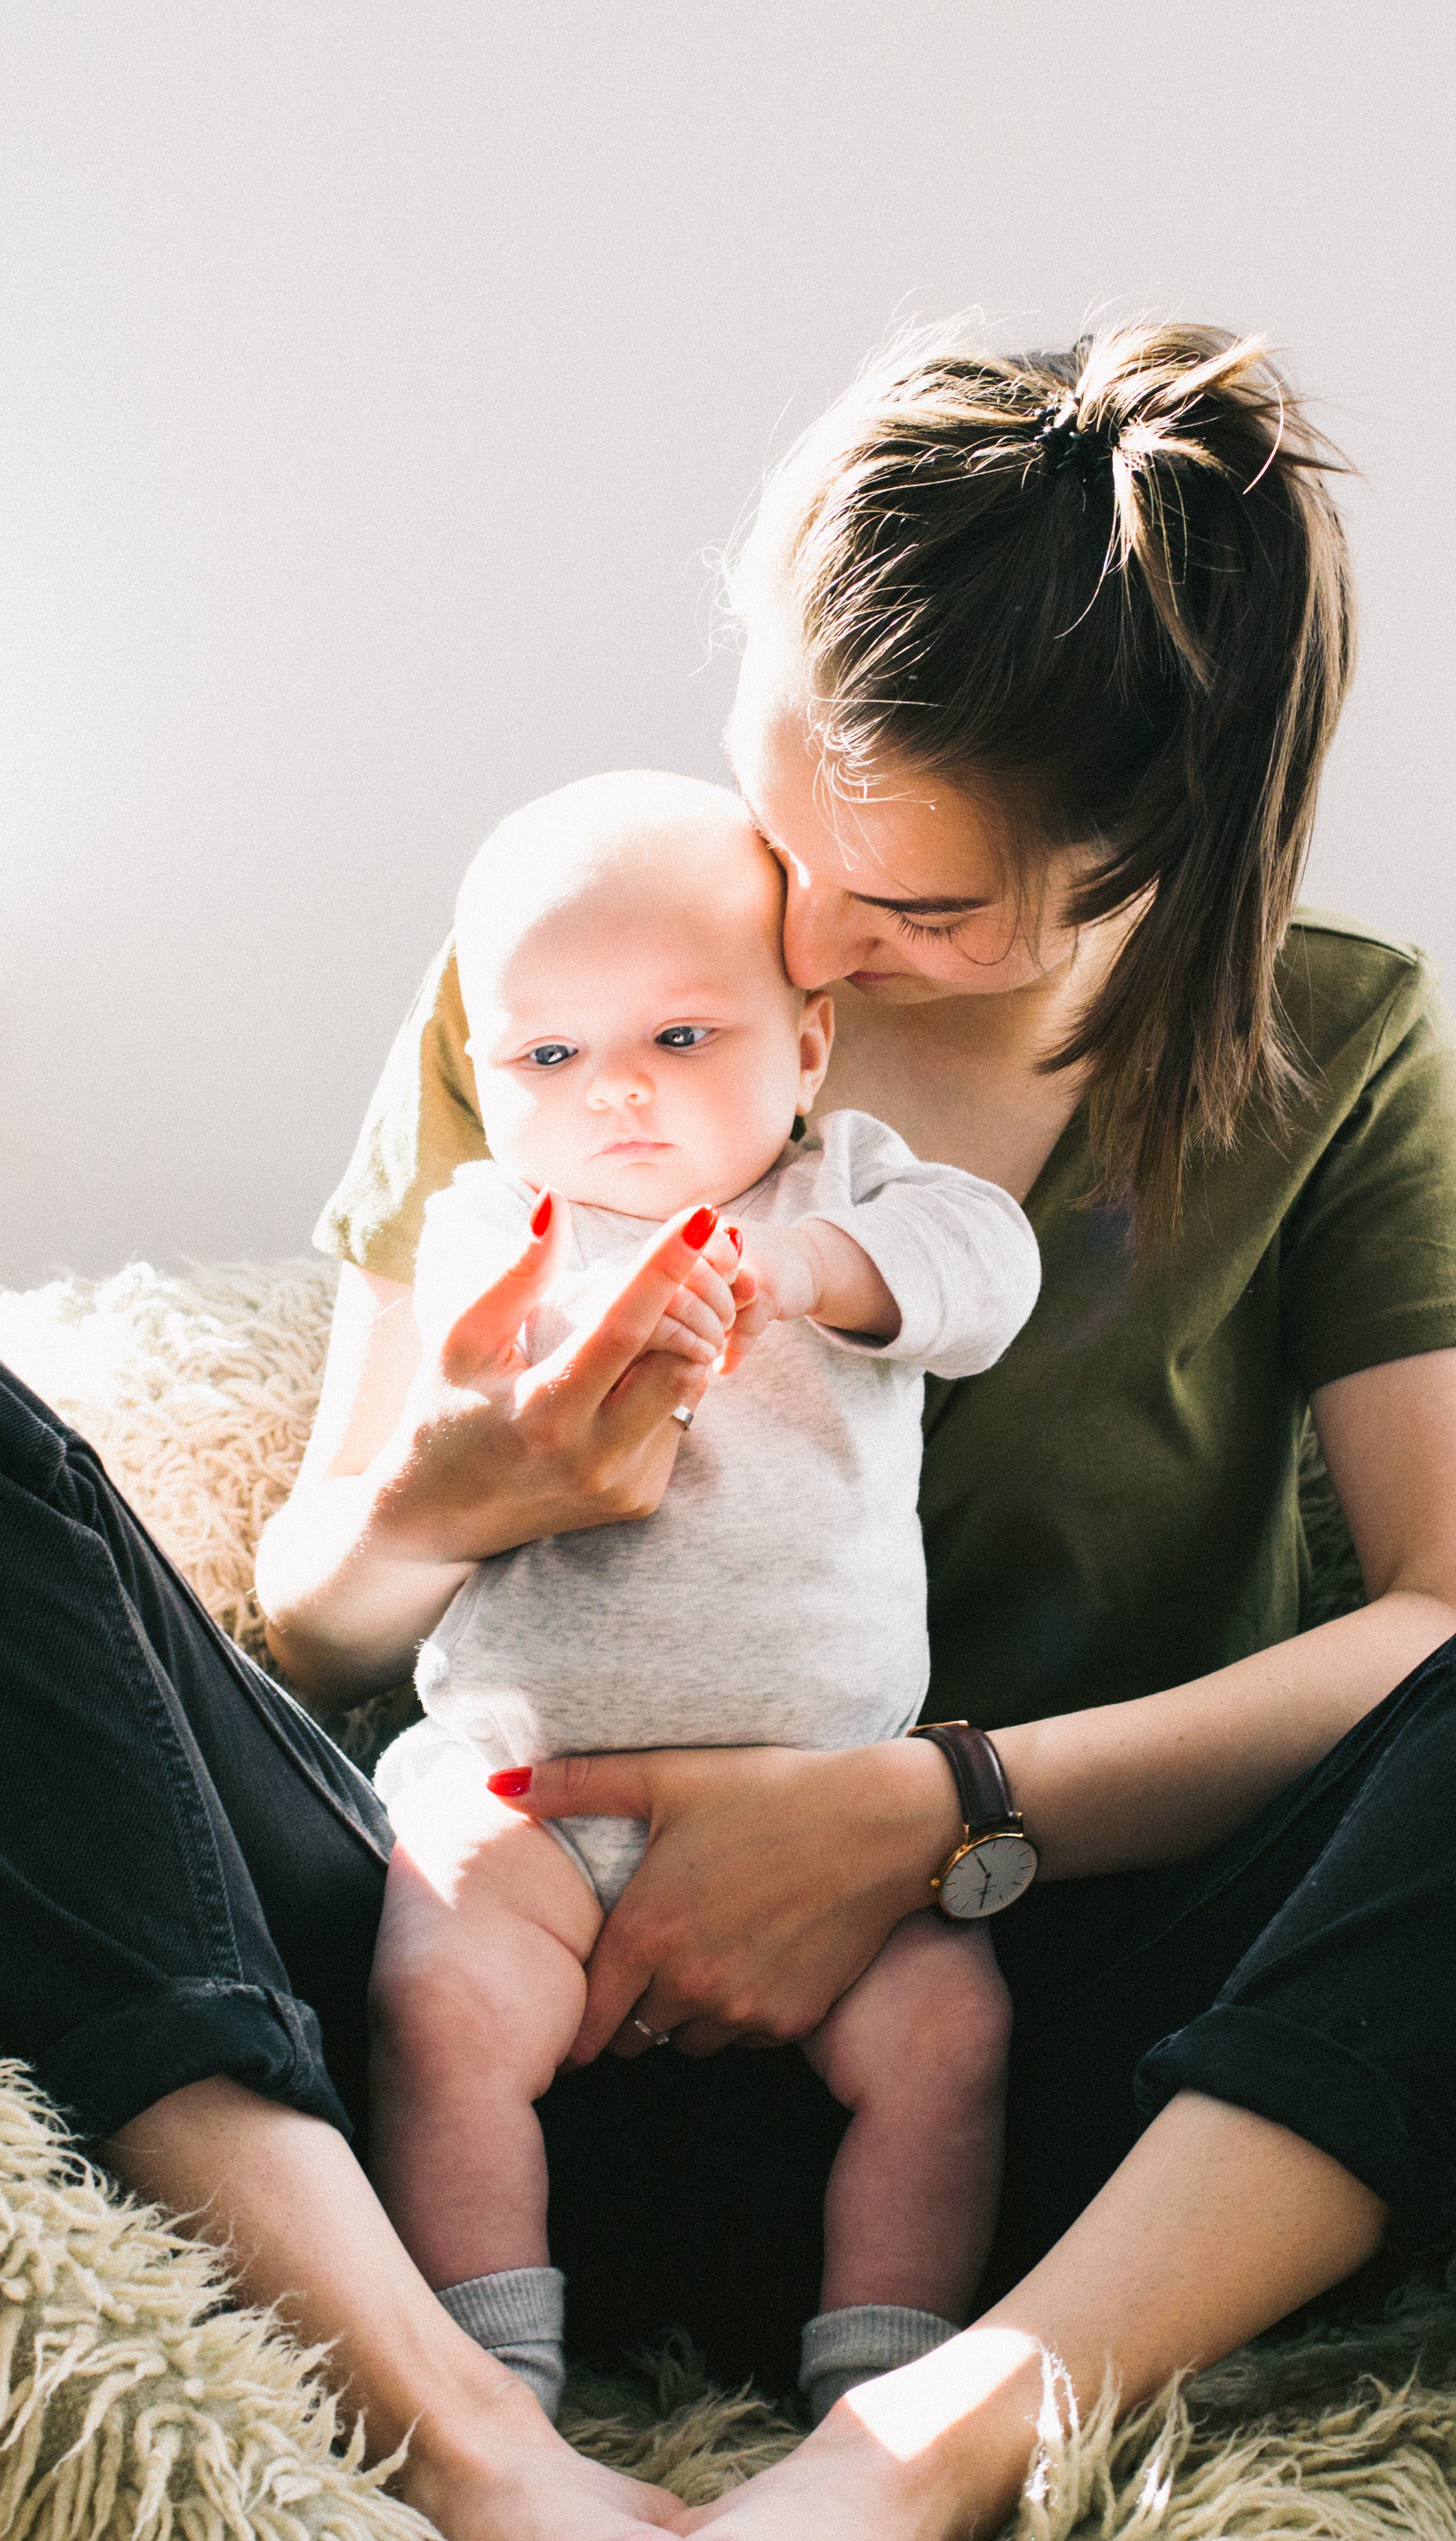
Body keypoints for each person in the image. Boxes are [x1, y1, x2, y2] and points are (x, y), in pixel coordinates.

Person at [0, 318, 1456, 2541]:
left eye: (914, 907)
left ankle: (923, 2448)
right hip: (470, 2007)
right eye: (782, 803)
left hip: (1016, 2083)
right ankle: (446, 2422)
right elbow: (315, 1631)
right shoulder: (584, 968)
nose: (804, 935)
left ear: (1147, 855)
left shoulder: (1332, 1045)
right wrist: (458, 1498)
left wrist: (928, 1813)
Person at [362, 769, 1040, 2428]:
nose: (618, 1099)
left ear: (806, 1046)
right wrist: (519, 1324)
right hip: (532, 1801)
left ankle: (877, 2382)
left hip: (834, 1816)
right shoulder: (497, 1222)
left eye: (682, 1040)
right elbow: (450, 1356)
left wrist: (810, 1274)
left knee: (950, 2038)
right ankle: (490, 2375)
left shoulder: (846, 1195)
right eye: (550, 1056)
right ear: (482, 1071)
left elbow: (990, 1272)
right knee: (432, 2008)